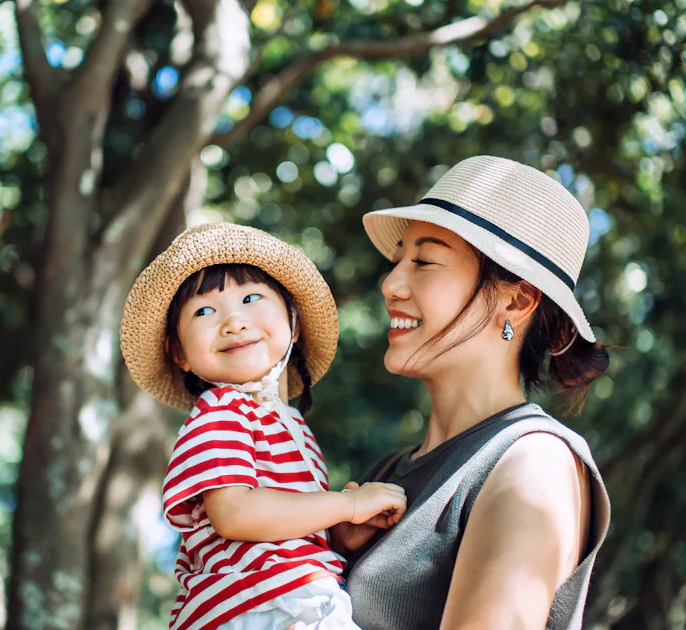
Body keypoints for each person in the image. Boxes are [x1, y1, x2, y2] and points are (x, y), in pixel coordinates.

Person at [338, 156, 613, 629]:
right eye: (398, 258)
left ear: (516, 299)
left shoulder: (532, 462)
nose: (391, 283)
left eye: (424, 260)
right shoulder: (386, 473)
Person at [120, 222, 407, 630]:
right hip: (255, 602)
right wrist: (347, 504)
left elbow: (285, 526)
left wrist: (341, 530)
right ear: (178, 352)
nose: (234, 321)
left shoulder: (290, 424)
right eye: (204, 311)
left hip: (288, 599)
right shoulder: (220, 410)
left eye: (251, 298)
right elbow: (235, 514)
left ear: (292, 318)